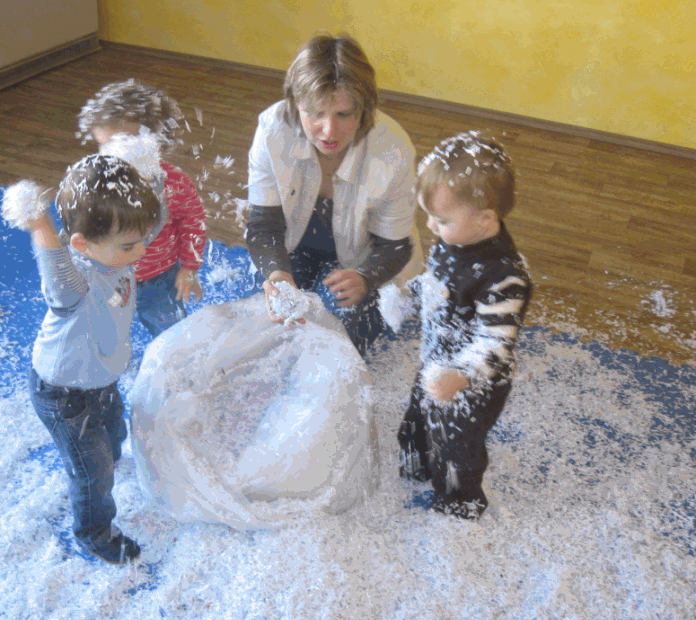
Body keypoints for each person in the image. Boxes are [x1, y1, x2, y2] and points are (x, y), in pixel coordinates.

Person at [3, 155, 161, 563]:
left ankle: (111, 458)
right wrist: (39, 222)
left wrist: (145, 167)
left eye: (140, 239)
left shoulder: (118, 255)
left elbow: (146, 220)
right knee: (92, 474)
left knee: (112, 436)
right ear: (82, 245)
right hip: (64, 395)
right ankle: (94, 534)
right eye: (130, 244)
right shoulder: (75, 284)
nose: (142, 250)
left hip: (100, 379)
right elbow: (55, 266)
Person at [245, 33, 422, 356]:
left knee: (349, 343)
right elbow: (263, 225)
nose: (329, 131)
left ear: (365, 110)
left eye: (343, 115)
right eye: (315, 113)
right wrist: (278, 274)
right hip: (298, 237)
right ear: (295, 103)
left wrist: (366, 277)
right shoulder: (272, 129)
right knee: (271, 320)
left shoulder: (394, 148)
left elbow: (395, 245)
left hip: (367, 250)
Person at [395, 132, 532, 519]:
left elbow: (495, 343)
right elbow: (438, 281)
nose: (431, 227)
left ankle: (460, 505)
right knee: (416, 423)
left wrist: (461, 375)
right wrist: (411, 293)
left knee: (458, 447)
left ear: (485, 218)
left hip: (474, 383)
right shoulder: (454, 240)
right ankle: (415, 468)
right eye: (429, 216)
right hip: (437, 361)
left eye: (440, 219)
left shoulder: (504, 277)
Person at [77, 79, 208, 337]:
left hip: (159, 278)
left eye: (122, 146)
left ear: (154, 142)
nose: (111, 156)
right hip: (109, 275)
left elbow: (193, 224)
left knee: (172, 332)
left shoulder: (175, 185)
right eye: (104, 147)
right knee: (105, 329)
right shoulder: (97, 180)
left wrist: (190, 267)